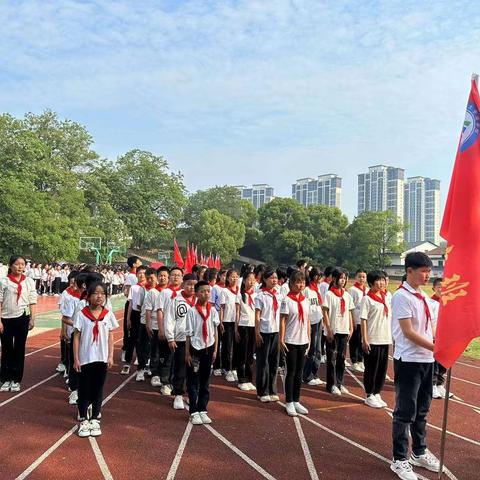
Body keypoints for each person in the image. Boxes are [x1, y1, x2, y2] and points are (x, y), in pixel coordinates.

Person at [390, 252, 440, 479]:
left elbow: (432, 329)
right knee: (405, 412)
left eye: (429, 271)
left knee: (422, 410)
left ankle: (419, 452)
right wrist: (435, 348)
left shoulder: (425, 298)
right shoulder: (402, 297)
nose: (428, 275)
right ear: (409, 270)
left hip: (426, 361)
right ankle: (399, 459)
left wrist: (438, 347)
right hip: (409, 360)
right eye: (423, 271)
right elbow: (408, 332)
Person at [73, 282, 118, 437]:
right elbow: (77, 337)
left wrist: (111, 356)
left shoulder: (108, 314)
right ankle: (84, 418)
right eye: (96, 293)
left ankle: (95, 418)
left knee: (98, 388)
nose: (99, 296)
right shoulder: (81, 314)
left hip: (101, 357)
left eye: (102, 294)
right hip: (85, 358)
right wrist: (76, 358)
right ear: (88, 296)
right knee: (84, 388)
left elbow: (111, 336)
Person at [0, 255, 37, 392]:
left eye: (22, 264)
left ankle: (16, 379)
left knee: (19, 349)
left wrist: (33, 318)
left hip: (22, 318)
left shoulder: (28, 282)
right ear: (10, 266)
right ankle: (5, 378)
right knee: (7, 348)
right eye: (17, 264)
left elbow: (32, 301)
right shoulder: (3, 282)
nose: (20, 267)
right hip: (6, 319)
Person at [185, 281, 219, 425]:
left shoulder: (213, 311)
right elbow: (188, 334)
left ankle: (203, 409)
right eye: (203, 291)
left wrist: (216, 349)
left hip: (209, 348)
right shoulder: (192, 312)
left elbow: (215, 330)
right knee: (193, 381)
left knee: (205, 381)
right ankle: (193, 411)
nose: (206, 294)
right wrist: (187, 353)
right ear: (197, 293)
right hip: (195, 349)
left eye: (208, 291)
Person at [280, 270, 311, 416]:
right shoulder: (287, 300)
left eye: (303, 282)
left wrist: (309, 338)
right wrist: (281, 339)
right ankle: (289, 401)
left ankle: (297, 400)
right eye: (298, 282)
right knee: (291, 372)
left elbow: (308, 321)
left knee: (299, 373)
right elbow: (283, 320)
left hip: (303, 340)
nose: (300, 285)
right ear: (291, 283)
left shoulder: (305, 300)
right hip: (290, 340)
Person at [165, 273, 198, 409]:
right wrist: (170, 338)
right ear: (183, 284)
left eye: (194, 285)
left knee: (195, 369)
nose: (191, 287)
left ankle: (192, 395)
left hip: (197, 341)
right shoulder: (176, 300)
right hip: (181, 340)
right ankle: (178, 395)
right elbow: (169, 319)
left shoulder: (200, 300)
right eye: (189, 284)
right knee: (180, 368)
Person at [360, 270, 392, 409]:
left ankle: (377, 392)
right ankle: (369, 394)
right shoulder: (367, 299)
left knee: (382, 369)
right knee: (371, 368)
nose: (381, 283)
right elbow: (363, 320)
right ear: (372, 282)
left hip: (385, 338)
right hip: (373, 338)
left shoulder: (386, 297)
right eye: (378, 280)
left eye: (383, 280)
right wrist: (365, 339)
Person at [322, 267, 354, 396]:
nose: (343, 280)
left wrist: (351, 328)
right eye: (341, 278)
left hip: (344, 329)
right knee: (332, 358)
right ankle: (331, 385)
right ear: (334, 279)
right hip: (333, 330)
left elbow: (350, 312)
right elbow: (325, 312)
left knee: (341, 358)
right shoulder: (329, 294)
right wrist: (328, 328)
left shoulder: (346, 295)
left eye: (345, 278)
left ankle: (340, 383)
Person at [254, 267, 282, 402]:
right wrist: (257, 332)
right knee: (263, 362)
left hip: (276, 331)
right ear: (265, 279)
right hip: (264, 332)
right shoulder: (260, 295)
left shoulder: (279, 295)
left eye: (276, 278)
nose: (274, 280)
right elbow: (257, 315)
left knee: (274, 361)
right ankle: (262, 390)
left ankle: (272, 389)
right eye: (271, 278)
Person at [156, 267, 184, 395]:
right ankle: (165, 382)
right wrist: (161, 329)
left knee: (178, 358)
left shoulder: (184, 293)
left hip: (179, 332)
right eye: (173, 275)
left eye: (178, 275)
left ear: (182, 278)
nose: (176, 277)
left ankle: (176, 382)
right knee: (166, 357)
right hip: (167, 329)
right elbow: (160, 311)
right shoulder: (164, 292)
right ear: (169, 277)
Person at [60, 271, 83, 405]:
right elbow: (65, 317)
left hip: (87, 337)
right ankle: (73, 387)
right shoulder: (70, 297)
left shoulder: (90, 301)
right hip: (74, 333)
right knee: (72, 356)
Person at [430, 278, 452, 400]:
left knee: (444, 362)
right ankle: (432, 385)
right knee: (435, 362)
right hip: (435, 337)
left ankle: (439, 384)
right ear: (434, 288)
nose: (441, 289)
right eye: (439, 286)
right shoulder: (431, 303)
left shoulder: (448, 302)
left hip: (447, 337)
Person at [235, 270, 257, 391]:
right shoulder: (240, 295)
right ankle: (241, 379)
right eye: (250, 279)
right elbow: (237, 312)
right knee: (242, 353)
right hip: (243, 325)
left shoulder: (255, 295)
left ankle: (249, 378)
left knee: (250, 354)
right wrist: (236, 329)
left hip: (253, 325)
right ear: (244, 281)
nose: (252, 282)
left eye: (254, 280)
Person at [303, 267, 324, 386]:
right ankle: (307, 375)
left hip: (318, 320)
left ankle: (314, 373)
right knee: (312, 350)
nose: (319, 278)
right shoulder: (307, 290)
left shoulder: (317, 290)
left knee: (318, 349)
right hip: (311, 322)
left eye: (320, 276)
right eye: (317, 275)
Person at [220, 269, 240, 382]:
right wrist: (221, 322)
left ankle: (235, 368)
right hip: (227, 321)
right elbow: (222, 307)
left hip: (238, 322)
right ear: (227, 278)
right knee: (227, 346)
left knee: (236, 346)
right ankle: (226, 368)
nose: (234, 279)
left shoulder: (240, 291)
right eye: (232, 277)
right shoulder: (225, 291)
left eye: (236, 276)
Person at [122, 256, 142, 362]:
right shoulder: (131, 276)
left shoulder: (142, 276)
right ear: (134, 264)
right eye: (139, 261)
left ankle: (139, 354)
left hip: (140, 306)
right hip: (132, 304)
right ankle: (125, 350)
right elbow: (127, 292)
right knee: (129, 329)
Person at [349, 269, 368, 373]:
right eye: (359, 276)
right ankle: (354, 361)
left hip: (364, 320)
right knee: (355, 341)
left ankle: (361, 360)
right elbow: (351, 307)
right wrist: (352, 321)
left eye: (363, 277)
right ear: (356, 277)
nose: (362, 279)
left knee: (362, 340)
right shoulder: (353, 290)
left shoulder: (367, 290)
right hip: (356, 319)